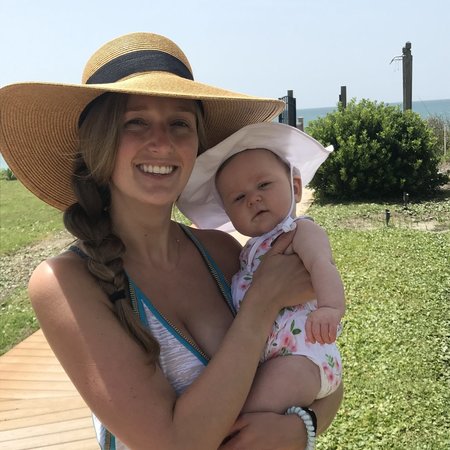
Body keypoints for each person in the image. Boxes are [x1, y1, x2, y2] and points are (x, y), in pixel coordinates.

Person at [0, 32, 343, 449]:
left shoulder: (223, 252)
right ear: (97, 144)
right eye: (135, 122)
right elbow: (171, 442)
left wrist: (302, 428)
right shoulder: (66, 281)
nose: (162, 143)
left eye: (180, 123)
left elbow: (320, 364)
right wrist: (261, 304)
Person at [178, 122, 345, 415]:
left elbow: (323, 265)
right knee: (239, 406)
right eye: (238, 198)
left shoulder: (299, 232)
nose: (253, 198)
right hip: (271, 359)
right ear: (228, 213)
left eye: (264, 185)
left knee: (247, 413)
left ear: (295, 187)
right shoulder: (247, 253)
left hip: (303, 356)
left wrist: (330, 308)